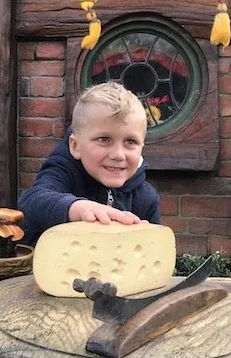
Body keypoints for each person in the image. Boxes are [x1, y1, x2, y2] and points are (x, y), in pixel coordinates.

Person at [18, 82, 161, 246]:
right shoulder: (63, 173)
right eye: (104, 139)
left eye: (130, 141)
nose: (118, 155)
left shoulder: (146, 199)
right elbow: (31, 203)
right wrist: (79, 208)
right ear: (75, 146)